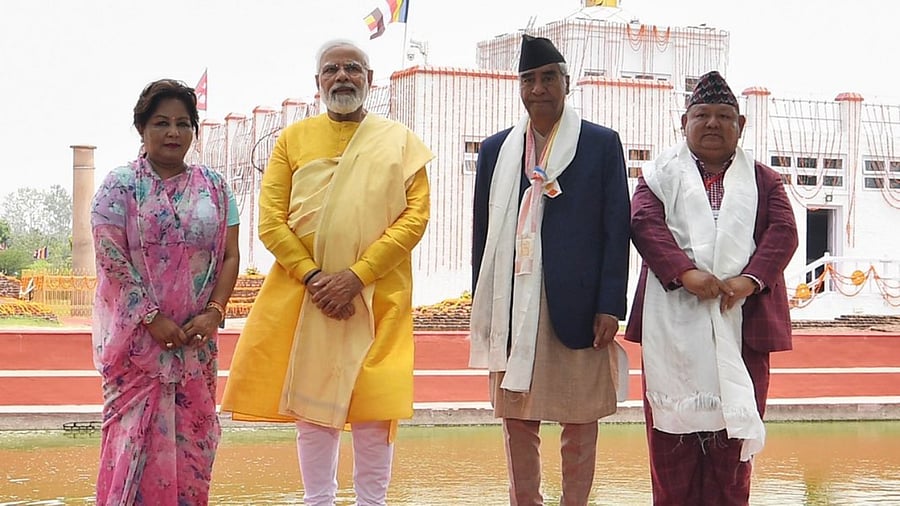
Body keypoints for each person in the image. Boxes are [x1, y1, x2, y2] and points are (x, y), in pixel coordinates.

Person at [220, 39, 433, 506]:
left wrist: (357, 276)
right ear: (317, 83)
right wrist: (316, 278)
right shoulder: (292, 140)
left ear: (370, 80)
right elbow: (271, 221)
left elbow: (415, 218)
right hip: (308, 295)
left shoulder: (400, 142)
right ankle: (317, 500)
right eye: (331, 70)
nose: (343, 77)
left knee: (375, 412)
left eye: (353, 69)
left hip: (377, 296)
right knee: (314, 414)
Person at [470, 35, 631, 505]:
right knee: (518, 421)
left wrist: (609, 304)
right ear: (519, 87)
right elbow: (482, 238)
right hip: (513, 305)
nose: (538, 89)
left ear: (566, 83)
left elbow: (615, 229)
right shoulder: (495, 151)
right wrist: (482, 313)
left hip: (577, 305)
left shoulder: (600, 144)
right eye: (528, 80)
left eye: (547, 78)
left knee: (580, 422)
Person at [625, 70, 799, 505]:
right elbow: (644, 224)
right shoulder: (658, 176)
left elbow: (783, 233)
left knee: (731, 459)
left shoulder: (764, 181)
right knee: (671, 458)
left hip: (744, 325)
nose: (713, 124)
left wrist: (748, 280)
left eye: (725, 116)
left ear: (741, 126)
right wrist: (687, 274)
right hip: (673, 332)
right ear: (683, 122)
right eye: (702, 115)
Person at [91, 79, 241, 504]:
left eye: (182, 123)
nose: (173, 132)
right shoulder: (118, 187)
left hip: (195, 343)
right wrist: (151, 317)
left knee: (194, 445)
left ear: (194, 131)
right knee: (131, 445)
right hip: (137, 347)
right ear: (141, 129)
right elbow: (110, 256)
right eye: (161, 123)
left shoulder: (216, 188)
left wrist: (214, 312)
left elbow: (230, 255)